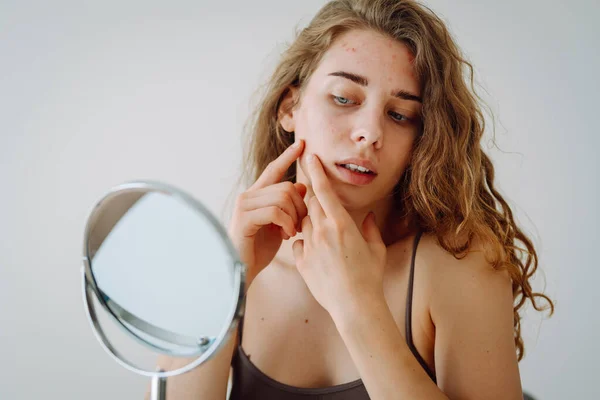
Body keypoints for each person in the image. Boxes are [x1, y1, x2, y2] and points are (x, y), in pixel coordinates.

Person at [153, 1, 553, 398]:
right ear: (289, 107)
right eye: (344, 98)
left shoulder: (458, 262)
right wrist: (227, 284)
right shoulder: (236, 257)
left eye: (399, 115)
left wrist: (357, 305)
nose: (370, 132)